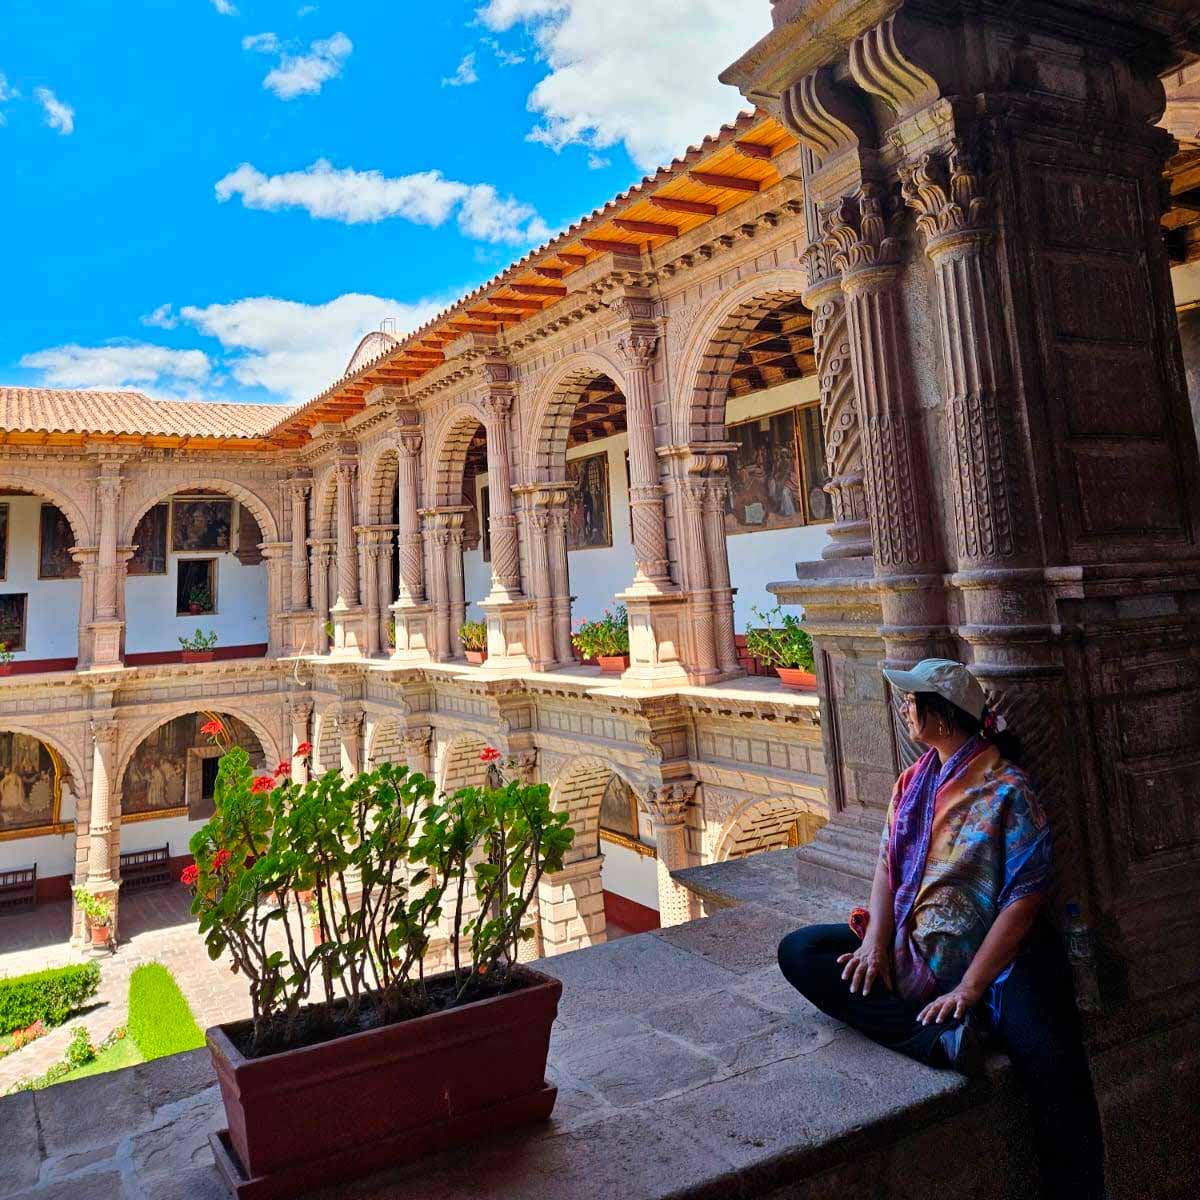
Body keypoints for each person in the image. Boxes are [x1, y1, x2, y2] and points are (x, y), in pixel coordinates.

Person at [777, 658, 1106, 1199]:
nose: (905, 708)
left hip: (999, 962)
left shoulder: (1007, 789)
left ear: (945, 718)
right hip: (914, 945)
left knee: (1051, 1066)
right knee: (802, 951)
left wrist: (970, 986)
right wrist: (877, 947)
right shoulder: (913, 780)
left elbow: (1022, 902)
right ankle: (941, 1039)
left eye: (913, 701)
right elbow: (887, 866)